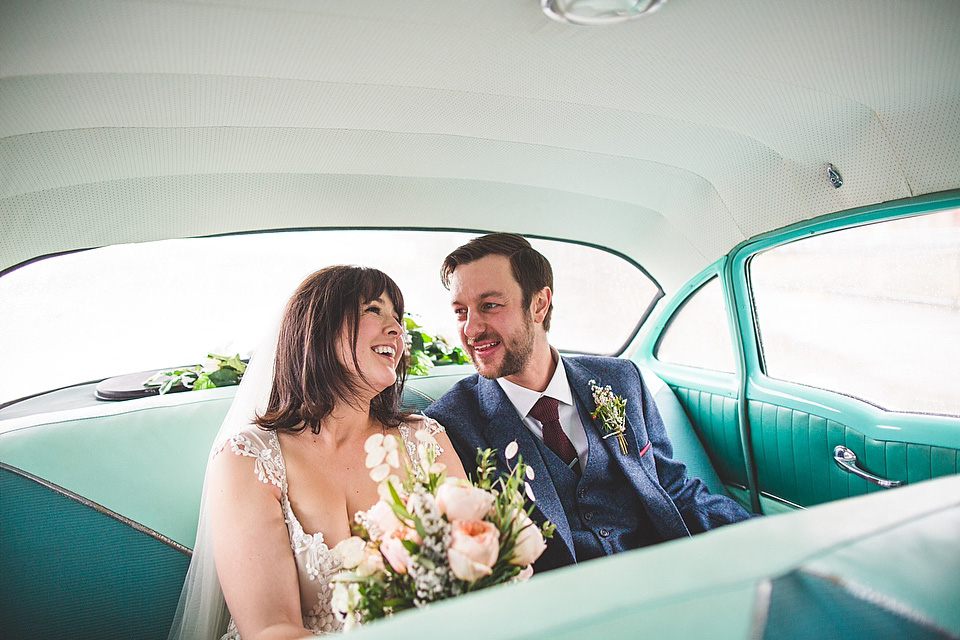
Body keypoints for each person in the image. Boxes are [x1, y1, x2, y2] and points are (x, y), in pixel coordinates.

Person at [424, 233, 753, 573]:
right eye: (460, 311)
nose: (471, 328)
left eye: (489, 306)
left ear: (539, 304)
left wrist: (759, 535)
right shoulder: (448, 425)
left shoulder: (621, 380)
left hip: (664, 573)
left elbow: (671, 487)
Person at [168, 266, 466, 640]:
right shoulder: (248, 458)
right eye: (374, 310)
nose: (396, 329)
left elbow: (471, 586)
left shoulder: (427, 441)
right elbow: (271, 629)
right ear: (318, 328)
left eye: (398, 318)